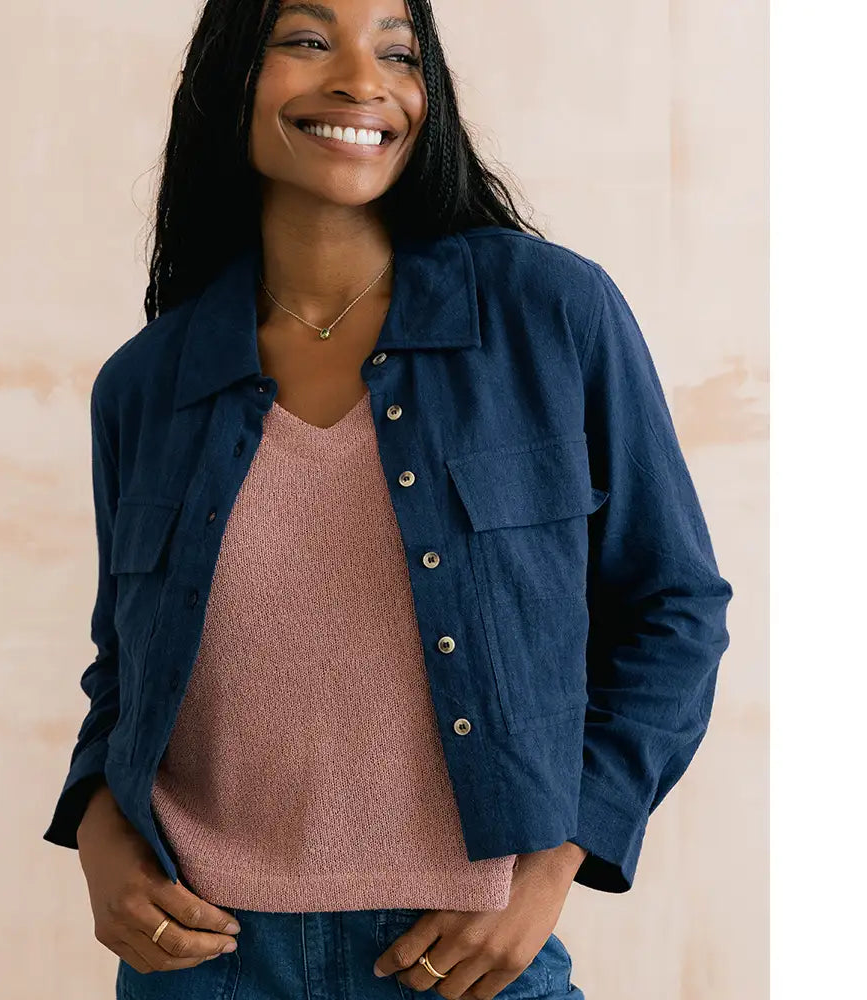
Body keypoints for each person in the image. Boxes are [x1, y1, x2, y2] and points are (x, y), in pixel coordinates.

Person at [42, 1, 733, 998]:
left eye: (397, 52)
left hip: (466, 954)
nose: (362, 79)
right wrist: (101, 835)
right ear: (229, 75)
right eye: (308, 40)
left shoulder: (550, 315)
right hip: (203, 959)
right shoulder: (147, 382)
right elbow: (126, 662)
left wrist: (552, 863)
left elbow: (672, 609)